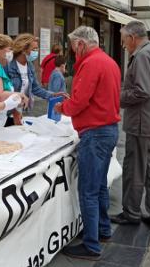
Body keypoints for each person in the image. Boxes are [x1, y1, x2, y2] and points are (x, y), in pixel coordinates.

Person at [54, 26, 120, 261]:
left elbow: (80, 100)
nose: (73, 53)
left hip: (95, 133)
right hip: (108, 129)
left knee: (88, 190)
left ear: (81, 44)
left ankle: (91, 244)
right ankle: (102, 230)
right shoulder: (108, 61)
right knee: (99, 185)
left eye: (73, 47)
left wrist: (64, 108)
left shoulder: (90, 64)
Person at [111, 21, 150, 232]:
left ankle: (132, 212)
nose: (123, 44)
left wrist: (117, 98)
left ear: (133, 38)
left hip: (142, 122)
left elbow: (142, 90)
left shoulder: (143, 55)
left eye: (124, 39)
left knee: (134, 169)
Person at [5, 34, 65, 125]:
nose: (36, 52)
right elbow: (2, 91)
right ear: (23, 50)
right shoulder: (8, 66)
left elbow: (35, 88)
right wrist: (14, 111)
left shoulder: (30, 66)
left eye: (37, 49)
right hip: (7, 113)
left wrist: (53, 94)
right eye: (34, 49)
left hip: (22, 111)